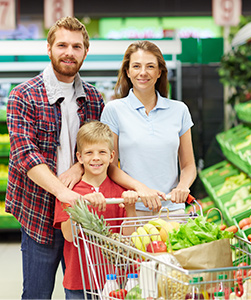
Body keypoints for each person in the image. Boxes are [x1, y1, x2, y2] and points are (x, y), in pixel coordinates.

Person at [5, 16, 105, 299]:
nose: (69, 52)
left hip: (82, 214)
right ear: (48, 48)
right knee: (36, 294)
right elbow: (25, 154)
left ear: (85, 51)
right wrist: (63, 192)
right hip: (39, 211)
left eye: (76, 46)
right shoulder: (23, 95)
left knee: (85, 294)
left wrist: (76, 169)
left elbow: (96, 149)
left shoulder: (95, 99)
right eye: (62, 45)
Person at [101, 40, 197, 216]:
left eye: (150, 66)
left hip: (172, 210)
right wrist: (141, 188)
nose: (143, 72)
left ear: (159, 72)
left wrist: (183, 187)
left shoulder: (179, 110)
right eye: (136, 66)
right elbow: (111, 166)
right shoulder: (113, 110)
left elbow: (189, 165)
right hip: (132, 209)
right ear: (128, 72)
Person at [54, 120, 138, 299]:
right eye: (89, 153)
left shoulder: (119, 191)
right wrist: (80, 205)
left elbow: (128, 239)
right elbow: (69, 235)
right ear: (79, 157)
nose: (96, 158)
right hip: (79, 281)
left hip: (116, 282)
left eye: (102, 152)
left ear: (112, 155)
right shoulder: (68, 193)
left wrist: (130, 209)